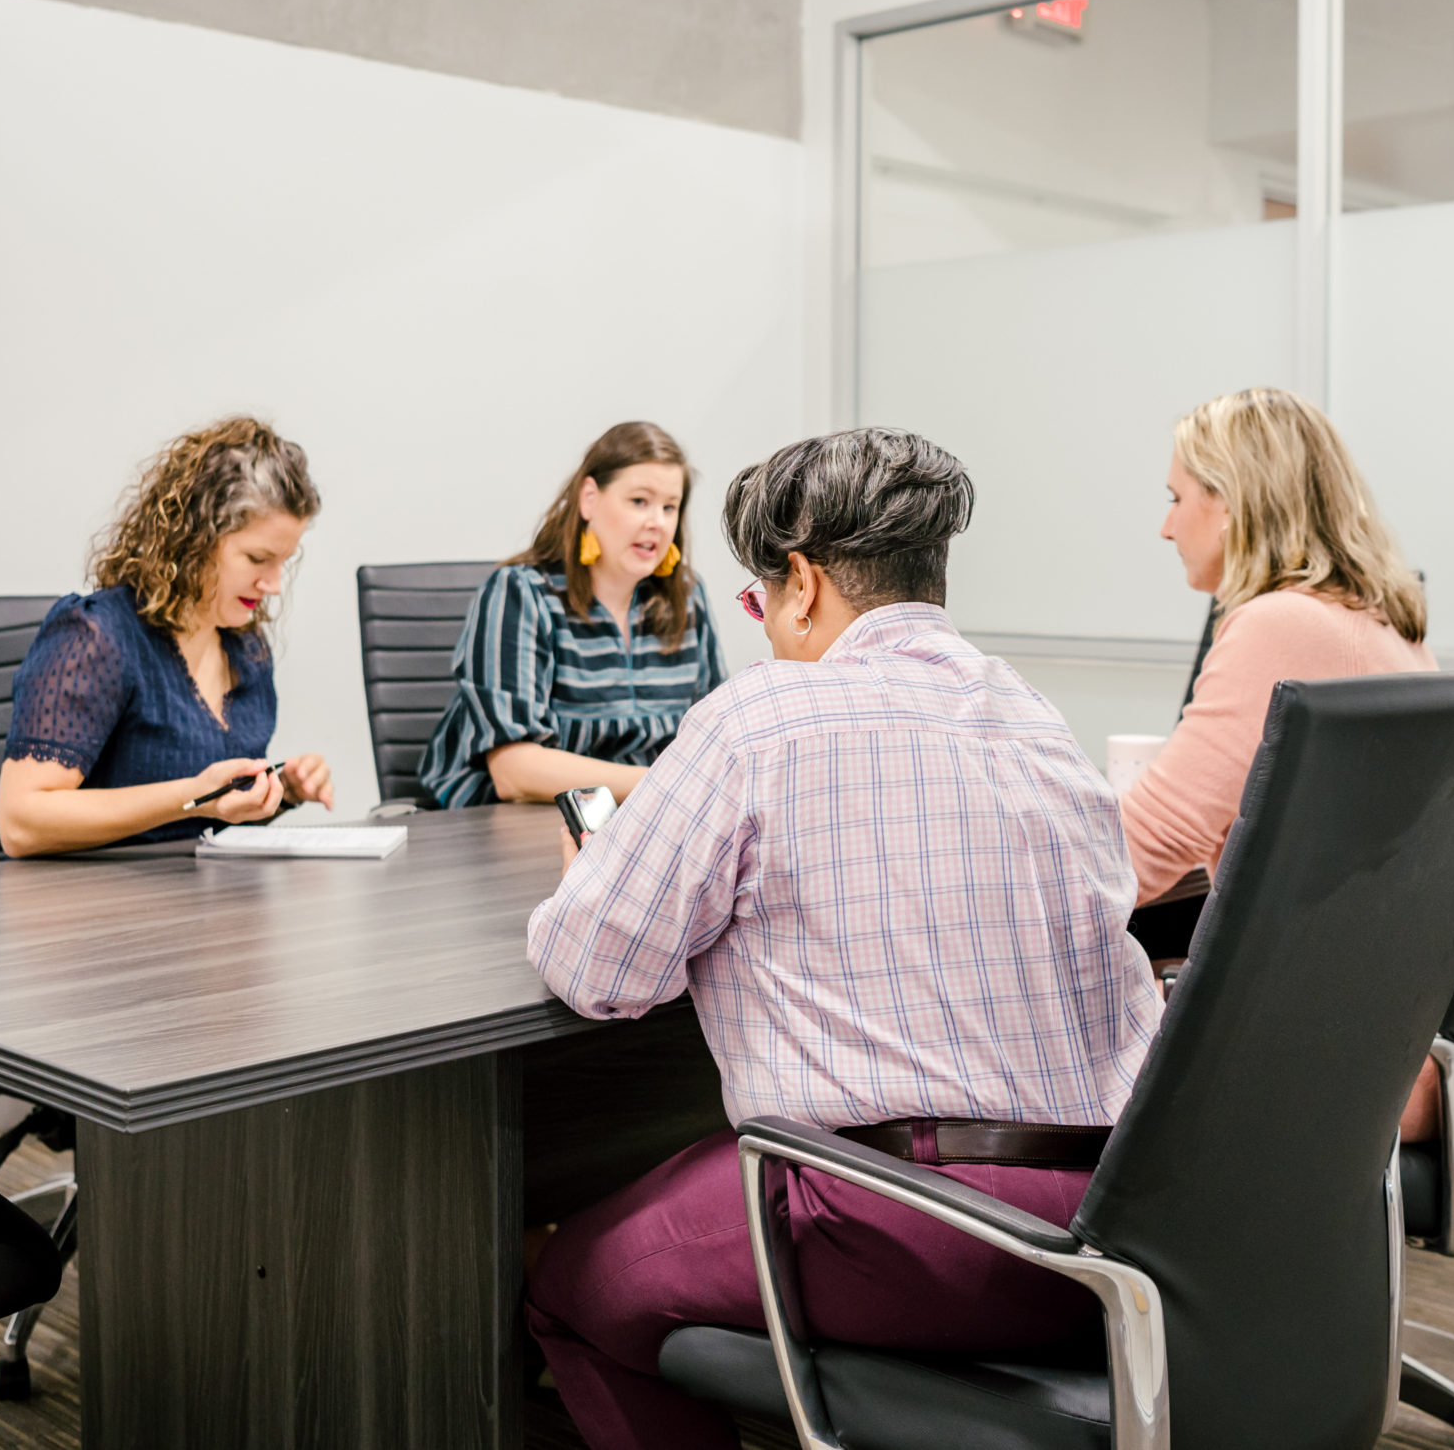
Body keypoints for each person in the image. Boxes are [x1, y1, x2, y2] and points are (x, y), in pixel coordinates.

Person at [522, 428, 1162, 1450]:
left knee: (568, 1281)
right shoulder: (1034, 715)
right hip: (1116, 1236)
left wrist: (590, 876)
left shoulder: (761, 717)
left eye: (759, 598)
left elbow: (598, 970)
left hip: (899, 1226)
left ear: (803, 583)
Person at [1120, 385, 1443, 1132]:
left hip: (1303, 1043)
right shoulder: (1381, 622)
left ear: (1230, 501)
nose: (1167, 527)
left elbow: (1145, 845)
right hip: (1376, 1030)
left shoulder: (1280, 622)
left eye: (1177, 497)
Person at [0, 416, 336, 857]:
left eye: (283, 563)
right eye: (257, 558)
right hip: (97, 911)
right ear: (196, 538)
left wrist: (281, 791)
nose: (273, 584)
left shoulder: (245, 648)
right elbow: (20, 823)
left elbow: (208, 816)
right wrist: (193, 793)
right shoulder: (97, 635)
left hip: (202, 903)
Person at [417, 422, 725, 809]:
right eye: (639, 501)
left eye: (670, 507)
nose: (657, 523)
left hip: (637, 823)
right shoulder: (521, 593)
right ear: (589, 499)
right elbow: (515, 771)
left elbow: (715, 742)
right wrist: (665, 782)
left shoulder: (688, 597)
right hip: (509, 826)